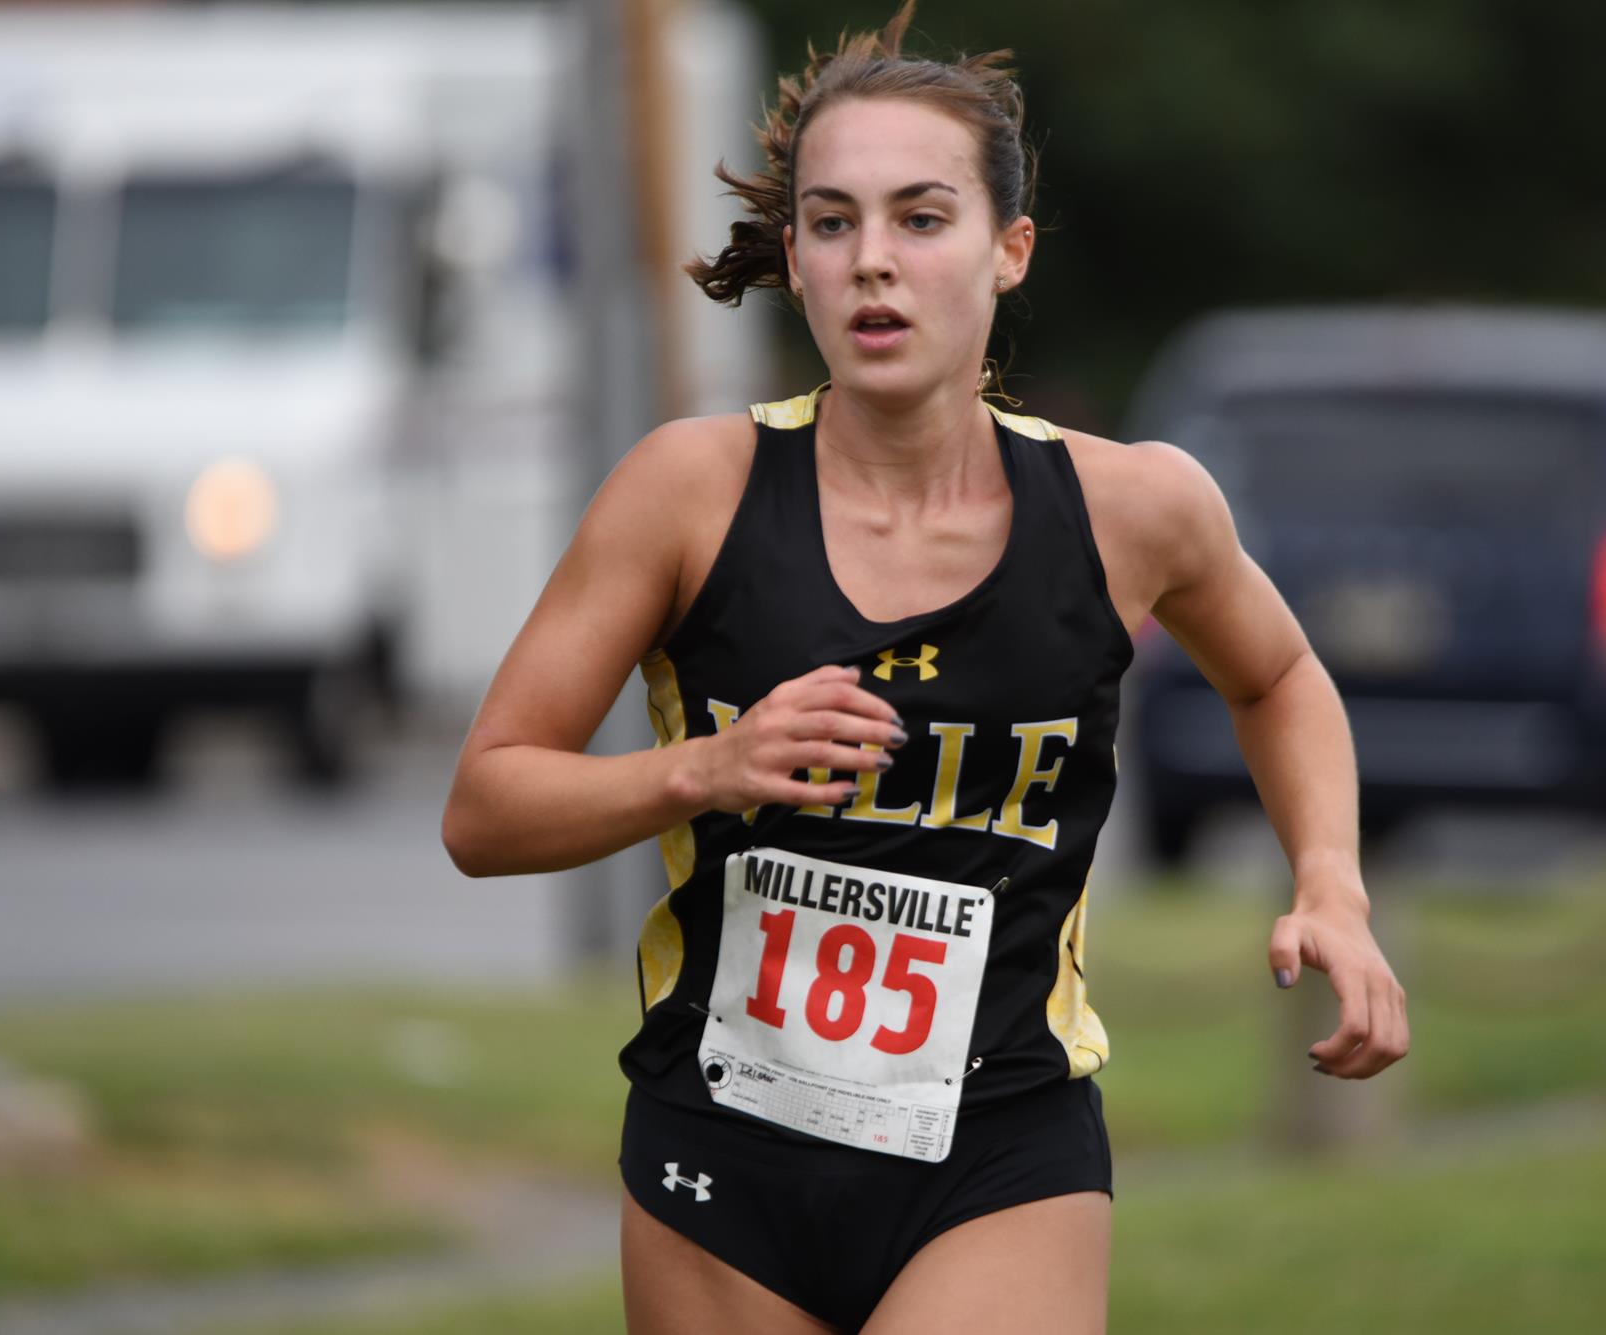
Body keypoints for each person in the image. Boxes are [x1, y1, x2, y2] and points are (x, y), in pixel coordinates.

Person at [440, 3, 1409, 1330]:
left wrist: (1332, 887)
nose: (873, 263)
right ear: (794, 255)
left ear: (1008, 251)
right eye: (833, 223)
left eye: (920, 218)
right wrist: (704, 768)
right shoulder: (688, 492)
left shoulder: (1134, 511)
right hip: (723, 1152)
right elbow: (485, 810)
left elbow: (1281, 677)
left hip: (999, 1150)